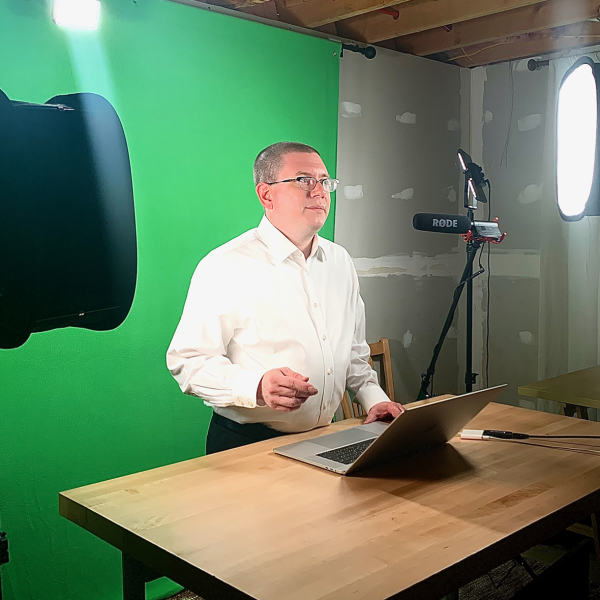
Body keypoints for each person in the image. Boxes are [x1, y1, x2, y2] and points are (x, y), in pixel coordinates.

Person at [167, 141, 403, 454]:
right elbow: (188, 361)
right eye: (304, 180)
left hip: (324, 437)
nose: (319, 191)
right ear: (266, 195)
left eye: (325, 181)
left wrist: (376, 400)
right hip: (247, 445)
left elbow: (354, 353)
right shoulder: (225, 265)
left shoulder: (340, 261)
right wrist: (256, 387)